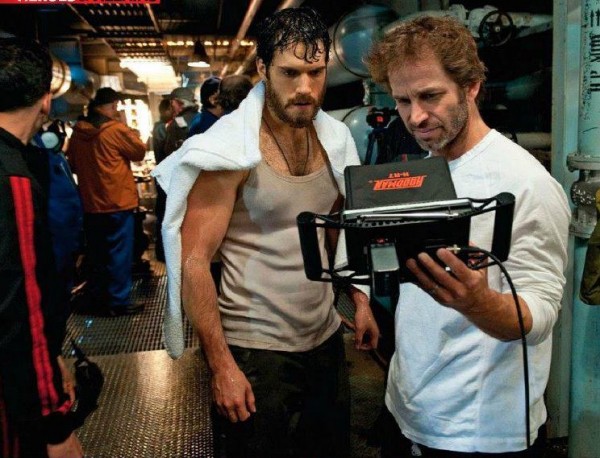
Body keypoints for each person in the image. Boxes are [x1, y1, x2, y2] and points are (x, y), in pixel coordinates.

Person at [152, 7, 379, 457]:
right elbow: (193, 260)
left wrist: (360, 299)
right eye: (290, 73)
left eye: (315, 73)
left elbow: (338, 230)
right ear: (262, 69)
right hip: (254, 347)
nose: (305, 88)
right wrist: (221, 366)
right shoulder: (229, 153)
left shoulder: (335, 140)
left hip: (324, 337)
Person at [365, 16, 570, 456]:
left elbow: (542, 314)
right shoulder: (424, 171)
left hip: (478, 431)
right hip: (409, 408)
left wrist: (480, 303)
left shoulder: (526, 183)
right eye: (403, 100)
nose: (415, 116)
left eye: (430, 96)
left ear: (471, 86)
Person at [0, 37, 83, 458]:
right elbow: (20, 306)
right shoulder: (13, 178)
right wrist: (54, 424)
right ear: (46, 100)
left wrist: (51, 356)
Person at [67, 87, 146, 317]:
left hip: (91, 204)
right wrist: (128, 127)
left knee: (98, 255)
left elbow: (72, 164)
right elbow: (139, 151)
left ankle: (101, 298)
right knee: (120, 253)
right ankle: (118, 301)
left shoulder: (78, 133)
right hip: (117, 202)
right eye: (115, 107)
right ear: (110, 106)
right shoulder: (115, 130)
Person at [163, 86, 200, 155]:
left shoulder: (177, 122)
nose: (171, 107)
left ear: (179, 102)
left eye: (172, 102)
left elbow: (169, 151)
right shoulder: (202, 117)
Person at [151, 97, 173, 165]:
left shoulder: (159, 126)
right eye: (170, 109)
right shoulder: (161, 127)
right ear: (164, 111)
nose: (173, 111)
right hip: (166, 164)